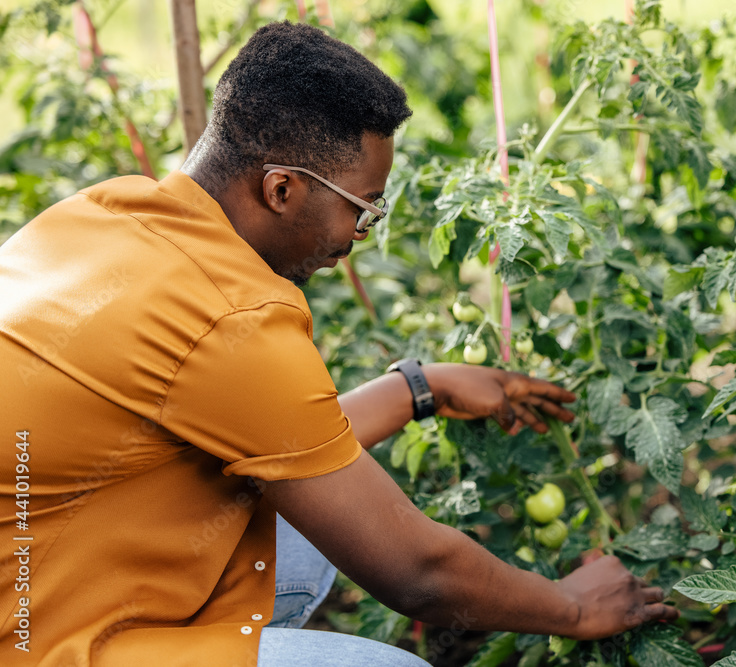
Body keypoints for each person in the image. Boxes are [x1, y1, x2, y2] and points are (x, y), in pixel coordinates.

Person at [0, 21, 673, 666]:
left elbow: (286, 438)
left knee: (314, 519)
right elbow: (418, 574)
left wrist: (421, 386)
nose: (364, 233)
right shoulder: (231, 315)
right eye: (364, 206)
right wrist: (572, 607)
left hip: (42, 572)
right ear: (282, 188)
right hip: (35, 642)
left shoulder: (106, 212)